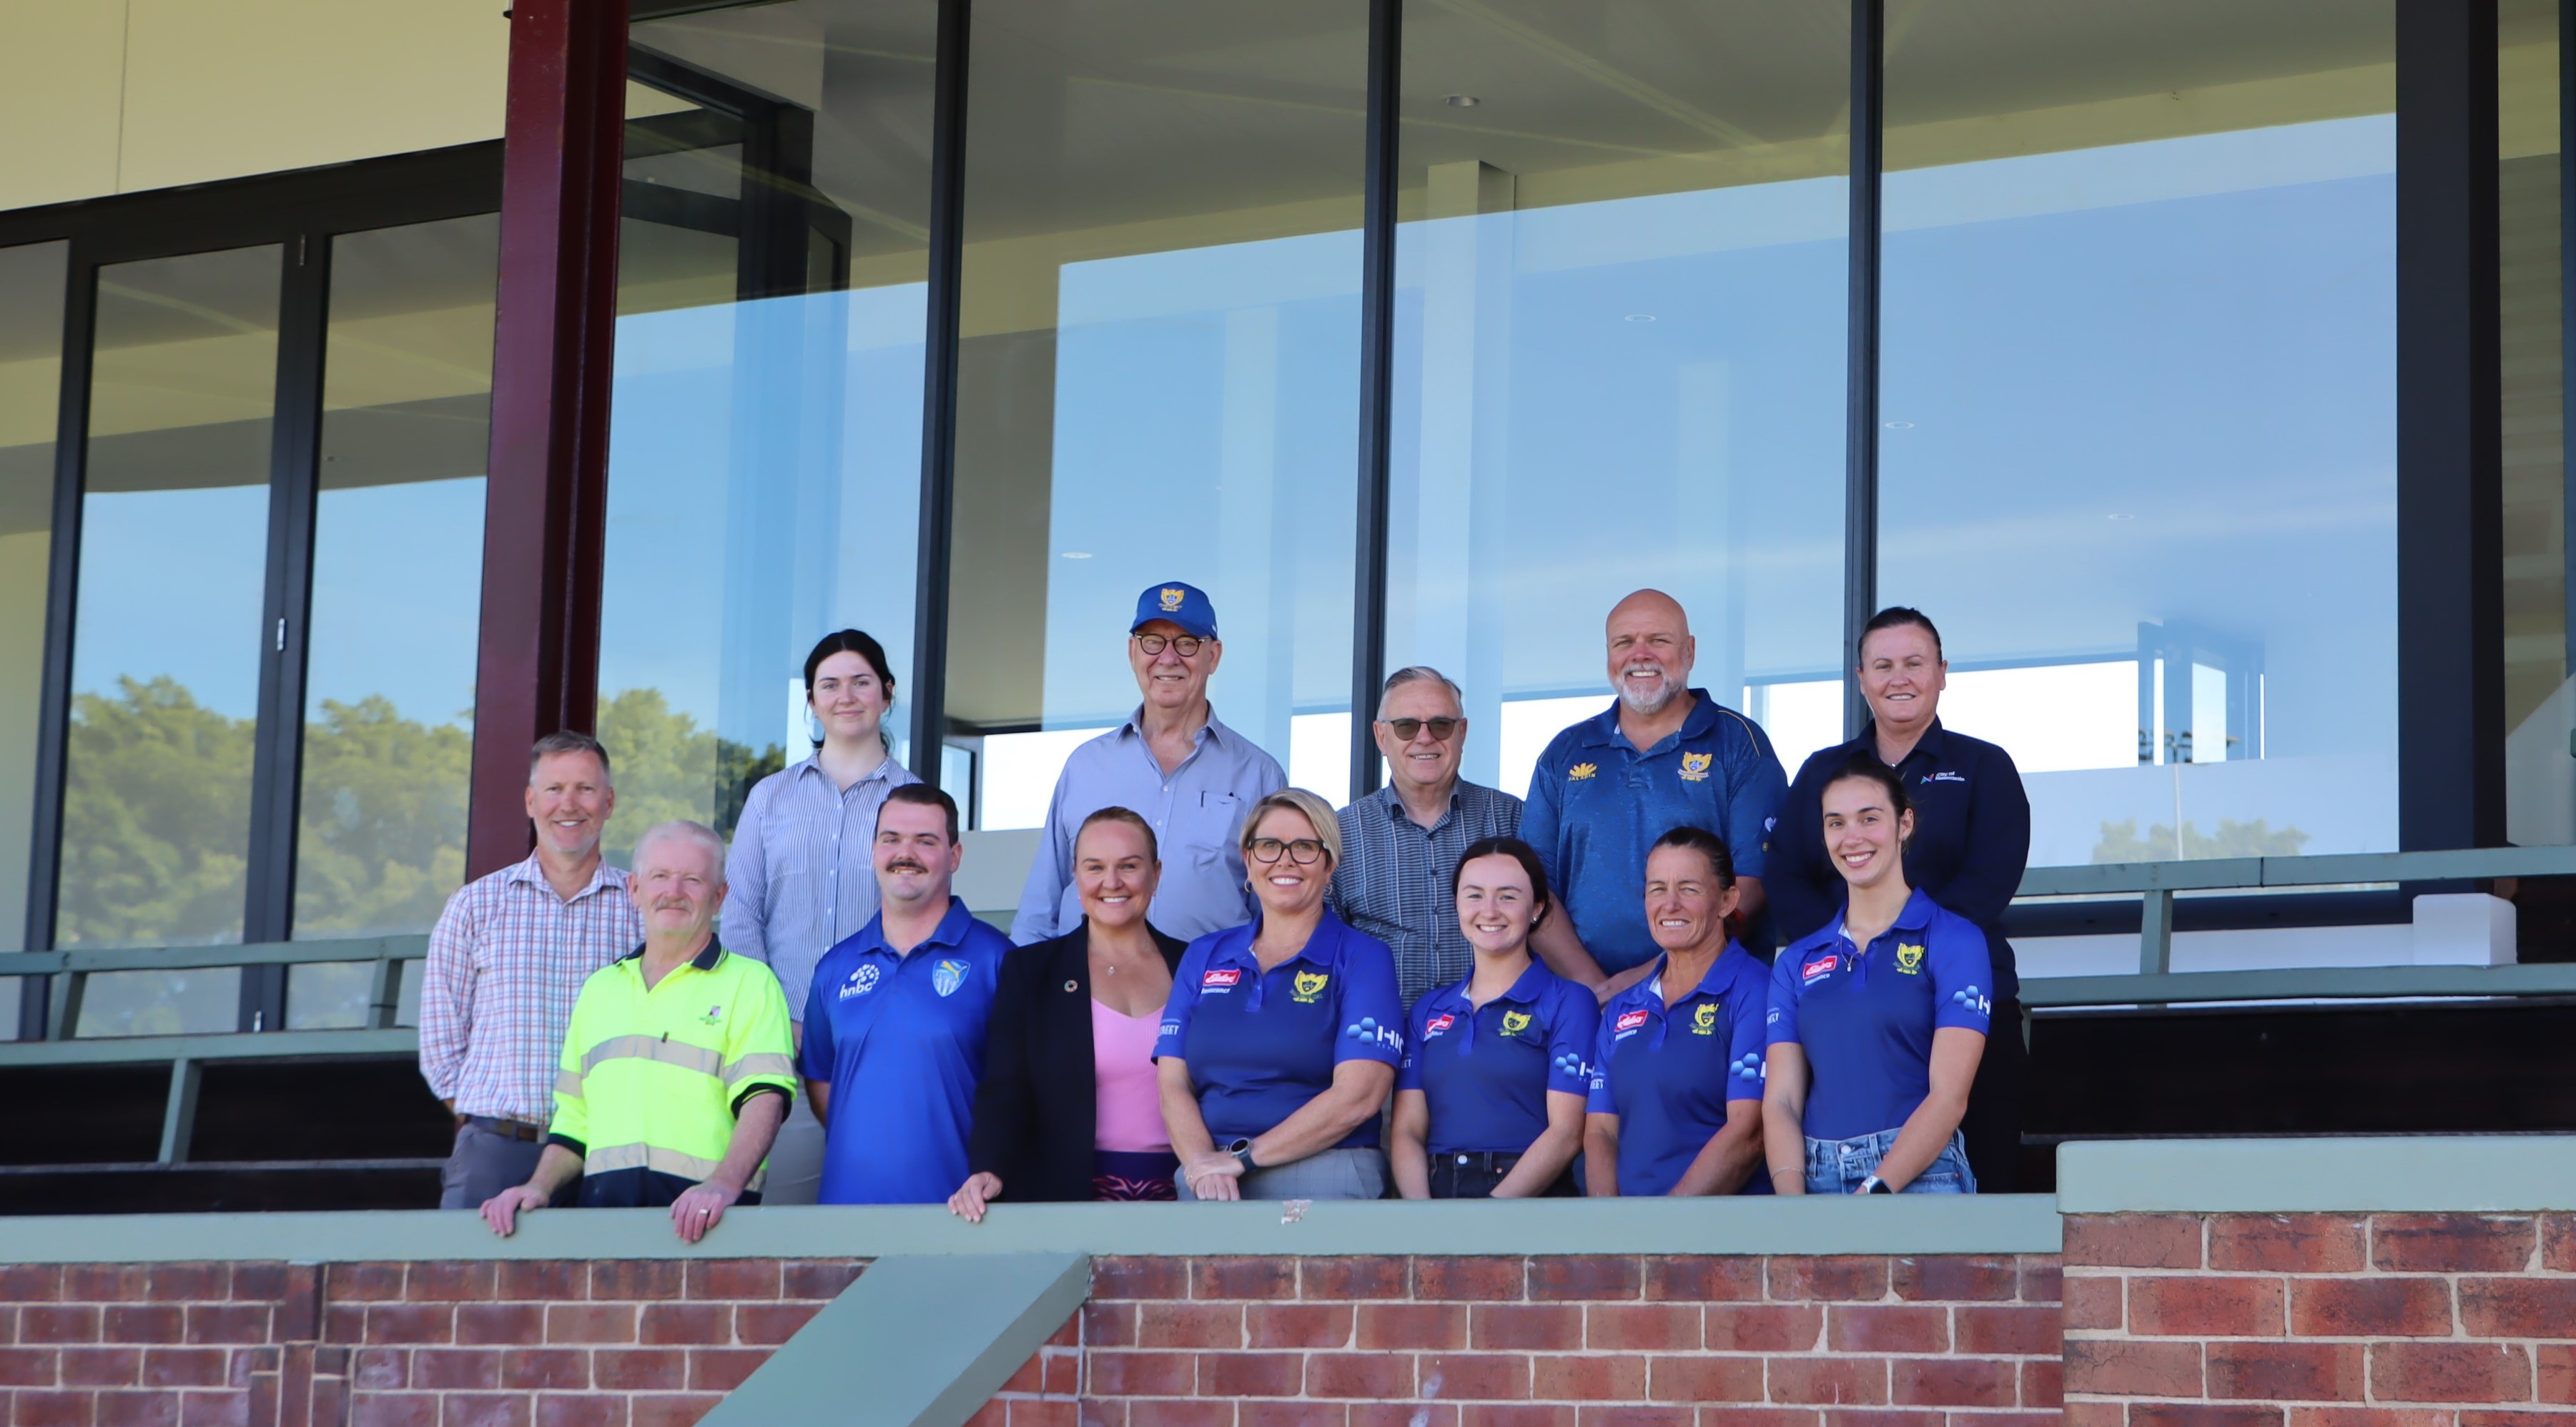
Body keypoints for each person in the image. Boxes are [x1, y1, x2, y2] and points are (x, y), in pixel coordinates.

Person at [1765, 607, 2030, 1191]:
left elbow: (1991, 878)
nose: (1899, 678)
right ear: (1860, 678)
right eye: (1882, 665)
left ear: (1941, 672)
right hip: (1843, 1006)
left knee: (1984, 1198)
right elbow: (1784, 876)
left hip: (1964, 996)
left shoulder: (1984, 766)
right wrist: (1849, 948)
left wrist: (1903, 945)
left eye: (1914, 663)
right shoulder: (1820, 772)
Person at [479, 820, 795, 1240]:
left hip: (712, 1224)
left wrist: (723, 1185)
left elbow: (765, 1100)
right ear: (634, 889)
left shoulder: (751, 984)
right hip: (604, 1223)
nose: (674, 891)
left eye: (693, 879)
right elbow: (575, 1121)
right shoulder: (599, 991)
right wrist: (538, 1187)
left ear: (719, 897)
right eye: (660, 876)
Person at [724, 629, 921, 1206]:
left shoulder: (915, 799)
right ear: (811, 701)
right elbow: (739, 914)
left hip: (882, 1038)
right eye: (829, 685)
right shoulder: (771, 797)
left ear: (886, 693)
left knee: (884, 1202)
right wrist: (773, 1017)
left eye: (861, 681)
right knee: (784, 1212)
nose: (846, 695)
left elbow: (924, 920)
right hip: (782, 1042)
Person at [1521, 590, 1787, 999]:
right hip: (1581, 1003)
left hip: (1709, 1001)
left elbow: (1751, 886)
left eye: (1658, 641)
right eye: (1624, 642)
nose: (1640, 654)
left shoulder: (1739, 744)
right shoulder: (1565, 752)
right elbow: (1534, 890)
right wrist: (1595, 989)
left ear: (1690, 651)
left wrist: (1645, 982)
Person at [420, 731, 643, 1209]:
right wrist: (486, 1118)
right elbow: (440, 1044)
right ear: (529, 801)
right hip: (497, 1150)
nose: (569, 803)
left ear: (609, 802)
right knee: (468, 1283)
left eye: (585, 789)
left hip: (607, 1150)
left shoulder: (641, 906)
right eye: (554, 788)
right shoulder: (475, 906)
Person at [1155, 789, 1404, 1200]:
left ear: (1330, 865)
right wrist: (1203, 1164)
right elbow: (1172, 1083)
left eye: (1305, 847)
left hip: (1325, 1171)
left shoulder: (1363, 957)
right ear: (1248, 860)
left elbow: (1359, 1097)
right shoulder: (1204, 954)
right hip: (1212, 1178)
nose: (1285, 860)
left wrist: (1244, 1158)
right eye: (1269, 846)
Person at [1012, 581, 1285, 947]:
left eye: (1187, 643)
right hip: (1087, 989)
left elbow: (1276, 914)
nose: (1168, 659)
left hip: (1208, 992)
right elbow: (1041, 902)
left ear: (1214, 656)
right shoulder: (1086, 765)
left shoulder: (1259, 774)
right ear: (1132, 652)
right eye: (1152, 641)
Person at [1764, 756, 1990, 1195]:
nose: (1853, 838)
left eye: (1869, 819)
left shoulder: (1954, 940)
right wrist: (1791, 1207)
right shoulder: (1796, 961)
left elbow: (1949, 1097)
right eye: (1836, 823)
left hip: (1922, 1174)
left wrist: (1875, 1189)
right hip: (1816, 1176)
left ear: (1905, 823)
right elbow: (1781, 1101)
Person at [951, 808, 1187, 1218]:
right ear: (1075, 876)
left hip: (1186, 1194)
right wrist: (988, 1167)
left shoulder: (1194, 966)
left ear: (1156, 873)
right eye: (1095, 867)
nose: (1111, 882)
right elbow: (1004, 1089)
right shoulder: (1031, 972)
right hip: (1067, 1198)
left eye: (1129, 866)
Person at [800, 784, 1012, 1204]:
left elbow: (1020, 1092)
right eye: (891, 839)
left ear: (955, 856)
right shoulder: (835, 967)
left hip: (961, 1216)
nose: (905, 853)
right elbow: (823, 1081)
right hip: (847, 1215)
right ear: (873, 851)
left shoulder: (998, 960)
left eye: (926, 841)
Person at [1389, 838, 1593, 1199]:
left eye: (1508, 896)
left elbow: (1566, 1133)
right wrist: (1418, 1216)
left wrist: (1490, 1213)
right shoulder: (1427, 1010)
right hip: (1433, 1193)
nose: (1490, 910)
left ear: (1537, 907)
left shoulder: (1569, 1001)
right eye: (1474, 895)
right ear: (1457, 905)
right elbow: (1407, 1130)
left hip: (1528, 1197)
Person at [1582, 826, 1772, 1198]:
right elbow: (1601, 1131)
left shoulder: (1756, 990)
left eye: (1689, 889)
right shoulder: (1623, 1006)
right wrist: (1608, 1231)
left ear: (1727, 900)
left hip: (1720, 1239)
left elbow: (1749, 1131)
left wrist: (1664, 1229)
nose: (1670, 904)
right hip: (1630, 1239)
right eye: (1657, 889)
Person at [1331, 667, 1523, 1005]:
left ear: (1461, 733)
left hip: (1495, 1034)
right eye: (1406, 726)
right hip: (1380, 1037)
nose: (1425, 738)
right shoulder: (1342, 833)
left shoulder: (1511, 819)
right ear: (1380, 737)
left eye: (1441, 725)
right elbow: (1325, 945)